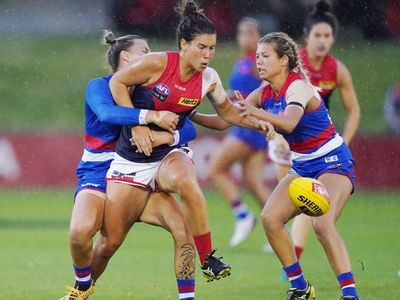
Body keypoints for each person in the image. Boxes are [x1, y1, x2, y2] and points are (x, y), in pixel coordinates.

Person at [91, 0, 273, 287]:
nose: (208, 55)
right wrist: (136, 124)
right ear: (183, 44)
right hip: (131, 161)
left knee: (187, 184)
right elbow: (116, 84)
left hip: (168, 154)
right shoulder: (158, 63)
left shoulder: (209, 78)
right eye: (201, 47)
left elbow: (225, 116)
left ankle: (207, 257)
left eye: (212, 48)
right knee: (108, 244)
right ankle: (81, 288)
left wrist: (255, 120)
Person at [61, 31, 199, 300]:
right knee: (86, 235)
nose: (152, 57)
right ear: (125, 56)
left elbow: (188, 126)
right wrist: (148, 118)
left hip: (142, 173)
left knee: (183, 229)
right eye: (145, 51)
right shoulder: (99, 86)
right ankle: (81, 288)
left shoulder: (153, 91)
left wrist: (166, 134)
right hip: (100, 173)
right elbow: (107, 113)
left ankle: (187, 298)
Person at [238, 32, 360, 299]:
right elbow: (235, 116)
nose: (259, 61)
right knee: (270, 218)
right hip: (303, 168)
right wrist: (200, 109)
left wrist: (255, 113)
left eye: (265, 56)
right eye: (257, 56)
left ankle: (350, 293)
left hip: (333, 162)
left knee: (322, 224)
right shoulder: (265, 93)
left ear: (284, 60)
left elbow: (290, 123)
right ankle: (301, 287)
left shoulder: (299, 87)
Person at [289, 0, 361, 265]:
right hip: (290, 137)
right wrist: (274, 134)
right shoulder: (294, 63)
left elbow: (354, 110)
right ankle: (290, 254)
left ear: (333, 38)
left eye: (327, 36)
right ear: (306, 36)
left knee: (307, 198)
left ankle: (292, 261)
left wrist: (345, 142)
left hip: (321, 144)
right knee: (300, 199)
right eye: (317, 35)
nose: (322, 41)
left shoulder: (337, 69)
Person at [207, 17, 272, 248]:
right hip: (245, 124)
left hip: (248, 126)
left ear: (259, 37)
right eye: (242, 33)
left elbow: (266, 89)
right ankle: (278, 227)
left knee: (216, 167)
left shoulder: (259, 60)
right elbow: (246, 90)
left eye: (250, 33)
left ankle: (243, 215)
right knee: (253, 182)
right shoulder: (242, 60)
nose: (246, 38)